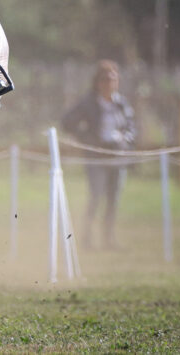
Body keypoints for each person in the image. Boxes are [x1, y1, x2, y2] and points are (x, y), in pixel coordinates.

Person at [62, 60, 136, 250]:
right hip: (96, 157)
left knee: (113, 200)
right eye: (105, 79)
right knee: (96, 197)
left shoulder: (121, 104)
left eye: (113, 79)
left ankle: (109, 239)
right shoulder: (88, 103)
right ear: (97, 82)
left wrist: (125, 139)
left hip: (117, 155)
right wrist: (86, 138)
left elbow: (131, 127)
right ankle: (86, 238)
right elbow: (67, 122)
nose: (109, 83)